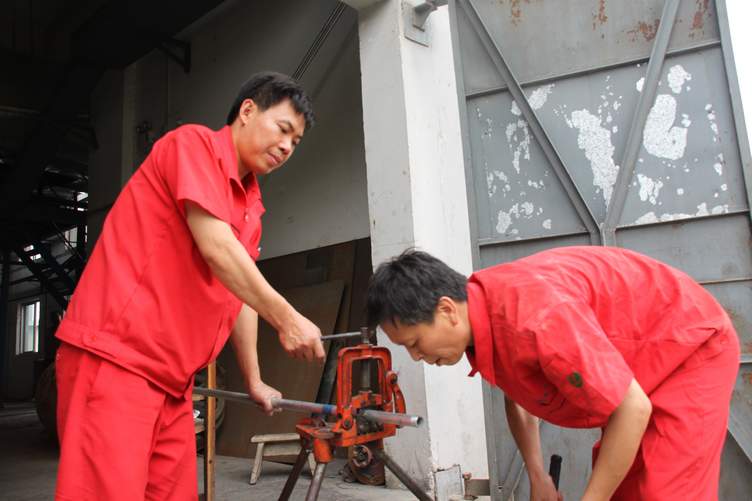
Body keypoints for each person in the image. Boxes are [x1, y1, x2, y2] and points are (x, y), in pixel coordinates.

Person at [54, 72, 325, 500]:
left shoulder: (251, 206)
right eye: (283, 129)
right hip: (117, 362)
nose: (287, 146)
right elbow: (217, 248)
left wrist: (254, 379)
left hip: (174, 383)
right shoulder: (193, 146)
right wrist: (287, 319)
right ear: (247, 110)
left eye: (296, 141)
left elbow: (240, 294)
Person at [366, 247, 740, 501]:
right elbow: (518, 395)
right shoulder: (485, 314)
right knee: (625, 487)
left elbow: (632, 409)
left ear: (447, 310)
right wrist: (537, 476)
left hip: (688, 347)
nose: (416, 357)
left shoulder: (536, 317)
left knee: (664, 491)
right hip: (640, 370)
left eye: (415, 343)